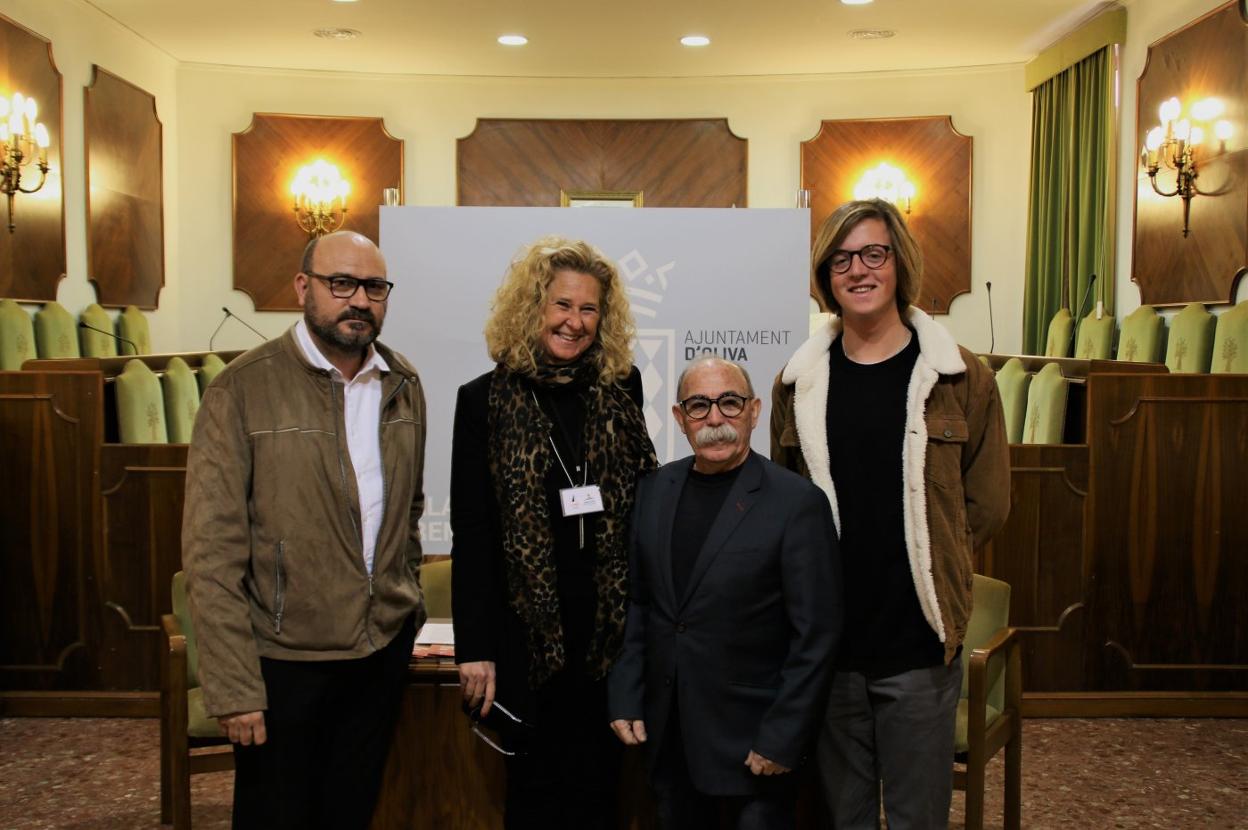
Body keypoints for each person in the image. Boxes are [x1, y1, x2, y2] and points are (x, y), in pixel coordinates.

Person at [770, 199, 1010, 828]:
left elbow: (987, 504)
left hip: (919, 645)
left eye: (873, 254)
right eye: (841, 259)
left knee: (916, 817)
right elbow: (785, 506)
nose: (858, 270)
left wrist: (933, 560)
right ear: (826, 276)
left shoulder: (961, 378)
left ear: (899, 262)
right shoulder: (796, 383)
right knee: (843, 815)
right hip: (832, 648)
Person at [183, 230, 427, 829]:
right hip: (284, 659)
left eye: (374, 287)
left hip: (377, 653)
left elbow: (408, 511)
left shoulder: (402, 381)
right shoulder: (241, 388)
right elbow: (212, 554)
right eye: (341, 283)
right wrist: (235, 687)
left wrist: (406, 603)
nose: (359, 300)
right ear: (303, 287)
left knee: (351, 814)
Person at [450, 236, 657, 829]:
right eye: (562, 305)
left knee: (601, 790)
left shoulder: (622, 386)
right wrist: (476, 647)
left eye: (589, 309)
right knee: (535, 792)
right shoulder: (483, 400)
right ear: (532, 307)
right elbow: (473, 530)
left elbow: (641, 497)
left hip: (606, 633)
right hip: (526, 635)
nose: (575, 321)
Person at [609, 357, 841, 830]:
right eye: (699, 406)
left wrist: (783, 736)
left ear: (754, 410)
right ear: (680, 418)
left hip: (754, 743)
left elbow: (817, 635)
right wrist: (626, 695)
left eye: (730, 403)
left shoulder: (797, 503)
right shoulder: (653, 490)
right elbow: (639, 603)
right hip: (669, 735)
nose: (715, 418)